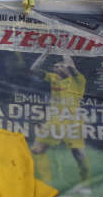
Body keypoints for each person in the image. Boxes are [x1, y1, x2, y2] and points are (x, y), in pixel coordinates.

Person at [29, 53, 92, 184]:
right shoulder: (54, 78)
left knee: (79, 154)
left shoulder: (78, 80)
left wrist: (64, 50)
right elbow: (34, 69)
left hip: (72, 122)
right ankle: (44, 182)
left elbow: (70, 64)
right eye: (54, 66)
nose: (55, 68)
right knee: (36, 150)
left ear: (67, 68)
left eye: (59, 66)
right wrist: (45, 53)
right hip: (54, 121)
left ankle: (87, 184)